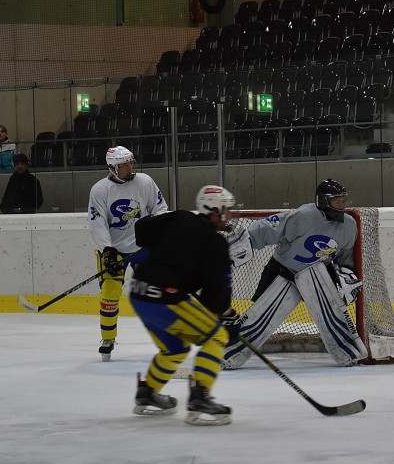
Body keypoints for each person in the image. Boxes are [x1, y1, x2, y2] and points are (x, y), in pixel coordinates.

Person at [222, 179, 369, 369]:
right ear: (323, 201)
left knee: (334, 313)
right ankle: (230, 353)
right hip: (282, 270)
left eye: (342, 200)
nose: (341, 204)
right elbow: (268, 228)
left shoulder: (349, 225)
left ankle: (348, 352)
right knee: (258, 315)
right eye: (336, 200)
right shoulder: (303, 216)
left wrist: (347, 276)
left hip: (317, 274)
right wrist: (243, 243)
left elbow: (345, 258)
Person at [129, 185, 240, 425]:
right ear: (213, 210)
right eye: (226, 210)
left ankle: (147, 392)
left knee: (175, 349)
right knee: (217, 337)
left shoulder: (180, 217)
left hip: (139, 294)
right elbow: (216, 294)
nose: (229, 215)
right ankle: (200, 396)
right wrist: (225, 316)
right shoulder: (215, 243)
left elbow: (142, 230)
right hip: (165, 300)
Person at [88, 145, 168, 361]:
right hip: (115, 252)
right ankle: (108, 338)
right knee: (110, 293)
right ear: (113, 168)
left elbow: (160, 210)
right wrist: (107, 249)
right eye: (125, 164)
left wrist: (154, 236)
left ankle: (165, 338)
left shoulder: (145, 181)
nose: (130, 167)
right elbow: (97, 222)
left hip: (142, 249)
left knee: (152, 291)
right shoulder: (99, 190)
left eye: (131, 162)